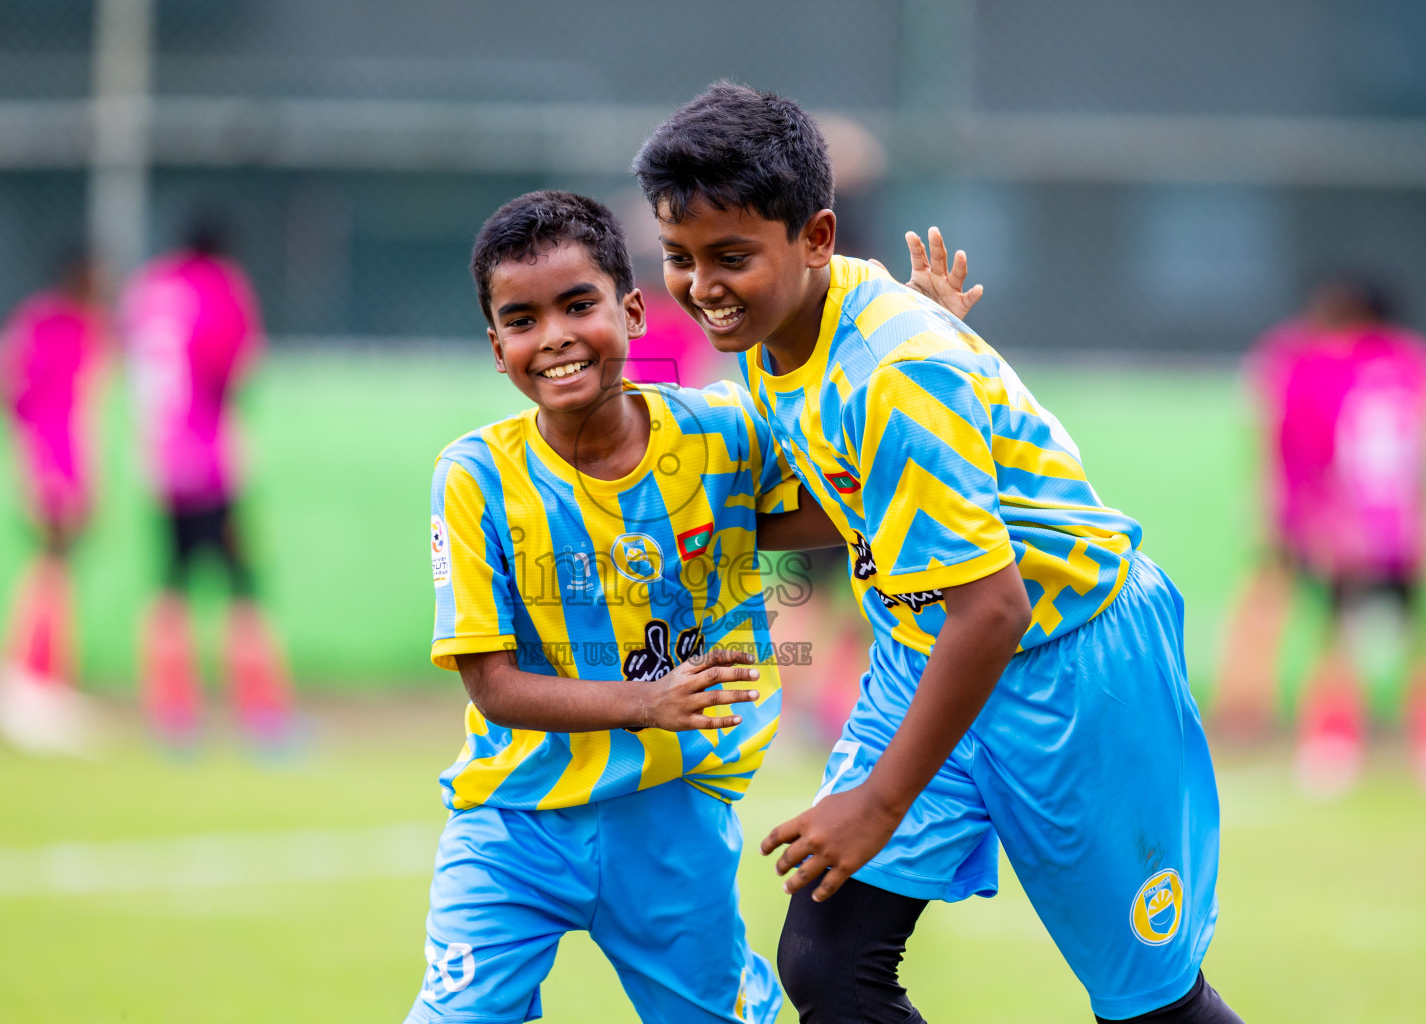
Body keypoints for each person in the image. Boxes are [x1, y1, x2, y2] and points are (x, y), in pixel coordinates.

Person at [635, 82, 1241, 1023]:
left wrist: (877, 803)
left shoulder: (896, 373)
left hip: (1071, 666)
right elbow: (850, 506)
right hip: (928, 650)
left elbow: (995, 607)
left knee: (1152, 1008)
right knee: (828, 963)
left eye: (729, 257)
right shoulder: (778, 331)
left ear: (817, 237)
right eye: (679, 258)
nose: (702, 287)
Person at [411, 189, 827, 1024]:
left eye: (578, 305)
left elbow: (842, 500)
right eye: (522, 319)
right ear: (498, 348)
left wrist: (922, 354)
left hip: (671, 822)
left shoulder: (723, 435)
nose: (556, 336)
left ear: (633, 311)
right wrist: (649, 701)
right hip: (513, 825)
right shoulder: (475, 477)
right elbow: (491, 687)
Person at [1227, 280, 1426, 792]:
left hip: (1334, 520)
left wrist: (1289, 513)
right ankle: (1298, 735)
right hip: (1384, 524)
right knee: (1355, 630)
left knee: (1330, 631)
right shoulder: (1405, 361)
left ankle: (1322, 741)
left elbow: (1293, 440)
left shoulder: (1305, 359)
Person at [121, 217, 294, 752]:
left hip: (159, 459)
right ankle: (262, 715)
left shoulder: (148, 288)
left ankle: (171, 713)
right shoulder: (219, 288)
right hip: (210, 461)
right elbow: (234, 368)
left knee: (170, 584)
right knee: (243, 586)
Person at [0, 248, 110, 756]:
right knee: (50, 568)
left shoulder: (70, 327)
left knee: (58, 570)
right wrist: (37, 463)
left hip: (61, 461)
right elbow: (19, 393)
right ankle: (24, 676)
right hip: (53, 463)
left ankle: (43, 676)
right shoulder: (59, 328)